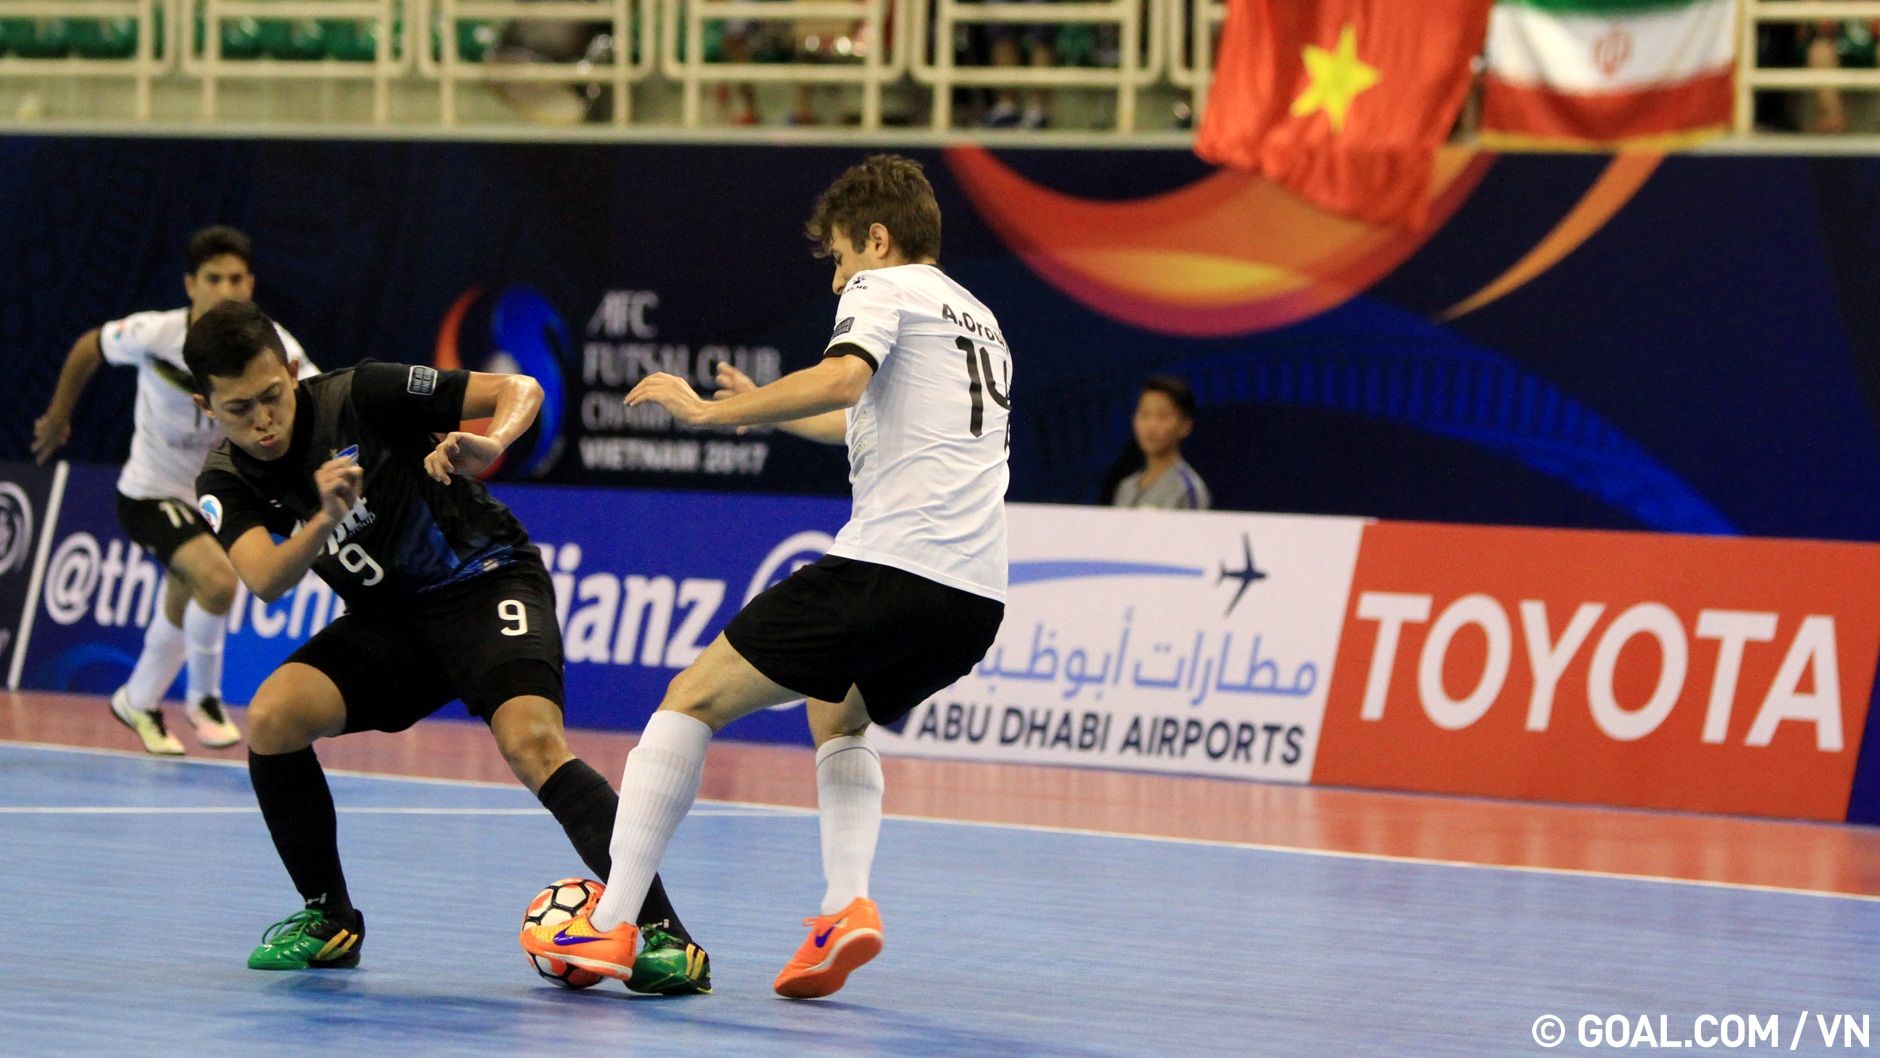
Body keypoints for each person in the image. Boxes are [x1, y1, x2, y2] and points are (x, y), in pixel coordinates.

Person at [521, 154, 1009, 999]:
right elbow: (862, 412)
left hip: (890, 566)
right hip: (974, 598)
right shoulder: (981, 320)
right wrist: (769, 409)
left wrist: (714, 411)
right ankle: (844, 908)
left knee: (690, 698)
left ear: (878, 239)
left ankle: (612, 921)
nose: (837, 281)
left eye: (840, 257)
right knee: (837, 713)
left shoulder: (883, 288)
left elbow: (844, 376)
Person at [181, 300, 710, 992]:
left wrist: (496, 440)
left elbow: (520, 388)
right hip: (392, 624)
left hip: (486, 580)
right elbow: (263, 578)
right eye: (239, 409)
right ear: (205, 406)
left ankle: (668, 934)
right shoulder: (225, 478)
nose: (263, 420)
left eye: (272, 395)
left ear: (288, 369)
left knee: (533, 743)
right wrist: (323, 517)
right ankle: (328, 917)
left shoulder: (360, 394)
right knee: (274, 716)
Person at [31, 225, 317, 756]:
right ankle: (204, 699)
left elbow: (318, 394)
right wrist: (58, 416)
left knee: (184, 600)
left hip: (214, 500)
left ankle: (137, 700)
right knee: (217, 581)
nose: (226, 290)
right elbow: (89, 347)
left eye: (237, 279)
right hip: (150, 493)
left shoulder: (271, 346)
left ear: (251, 284)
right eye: (214, 278)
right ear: (190, 284)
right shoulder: (154, 335)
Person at [1111, 374, 1209, 510]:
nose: (1151, 426)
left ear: (1185, 426)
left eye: (1163, 416)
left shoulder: (1187, 488)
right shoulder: (1126, 487)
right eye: (1145, 414)